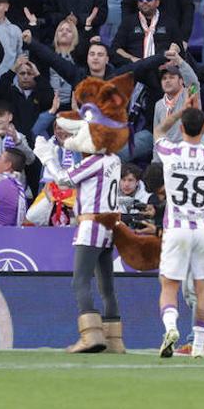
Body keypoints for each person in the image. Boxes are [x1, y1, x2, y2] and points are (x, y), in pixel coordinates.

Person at [33, 111, 123, 353]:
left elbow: (63, 179)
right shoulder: (115, 160)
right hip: (109, 226)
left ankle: (91, 335)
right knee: (107, 285)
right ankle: (114, 339)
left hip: (91, 224)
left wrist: (47, 157)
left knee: (80, 280)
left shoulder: (94, 161)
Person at [156, 107, 204, 359]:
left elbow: (159, 131)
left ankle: (171, 328)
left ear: (182, 128)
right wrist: (202, 118)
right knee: (203, 289)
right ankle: (198, 346)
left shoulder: (170, 152)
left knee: (169, 284)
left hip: (177, 228)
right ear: (202, 127)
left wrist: (181, 113)